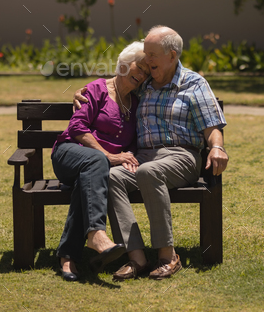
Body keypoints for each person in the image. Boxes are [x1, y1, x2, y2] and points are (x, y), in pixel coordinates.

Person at [74, 25, 229, 281]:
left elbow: (212, 125)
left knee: (148, 172)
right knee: (112, 177)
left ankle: (168, 256)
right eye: (146, 53)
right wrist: (84, 92)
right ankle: (137, 258)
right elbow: (115, 85)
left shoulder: (194, 83)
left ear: (172, 55)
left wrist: (217, 146)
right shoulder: (144, 83)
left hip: (183, 156)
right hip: (146, 156)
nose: (148, 60)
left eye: (153, 54)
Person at [52, 41, 149, 281]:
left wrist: (125, 158)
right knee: (96, 161)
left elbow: (131, 145)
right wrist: (108, 155)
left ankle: (67, 258)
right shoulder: (98, 89)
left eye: (147, 72)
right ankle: (96, 233)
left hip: (94, 170)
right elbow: (76, 127)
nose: (143, 74)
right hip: (69, 153)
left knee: (86, 182)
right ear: (124, 65)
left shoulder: (135, 104)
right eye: (140, 67)